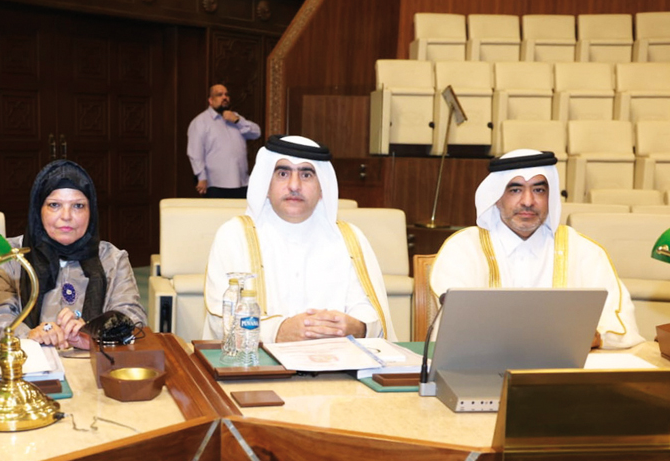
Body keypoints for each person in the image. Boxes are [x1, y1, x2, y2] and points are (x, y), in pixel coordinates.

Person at [430, 149, 644, 349]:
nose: (528, 201)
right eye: (515, 190)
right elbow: (454, 333)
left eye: (539, 190)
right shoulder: (464, 249)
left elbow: (622, 325)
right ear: (496, 198)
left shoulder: (584, 252)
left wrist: (595, 337)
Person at [203, 135, 397, 344]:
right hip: (258, 370)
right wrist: (277, 331)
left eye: (306, 175)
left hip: (335, 366)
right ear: (266, 184)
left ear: (322, 187)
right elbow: (220, 319)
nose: (294, 185)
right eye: (283, 173)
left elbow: (368, 309)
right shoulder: (234, 236)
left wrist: (357, 326)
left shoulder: (349, 239)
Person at [0, 159, 146, 349]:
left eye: (78, 206)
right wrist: (29, 336)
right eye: (55, 205)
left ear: (92, 211)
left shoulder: (112, 259)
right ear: (38, 209)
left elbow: (133, 318)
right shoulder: (9, 256)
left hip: (95, 366)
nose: (66, 216)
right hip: (25, 366)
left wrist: (96, 333)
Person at [187, 84, 261, 198]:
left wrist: (237, 120)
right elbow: (195, 152)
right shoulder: (200, 122)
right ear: (210, 100)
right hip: (215, 185)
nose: (224, 97)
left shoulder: (235, 117)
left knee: (239, 216)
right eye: (219, 95)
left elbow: (257, 133)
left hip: (241, 183)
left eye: (226, 95)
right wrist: (201, 177)